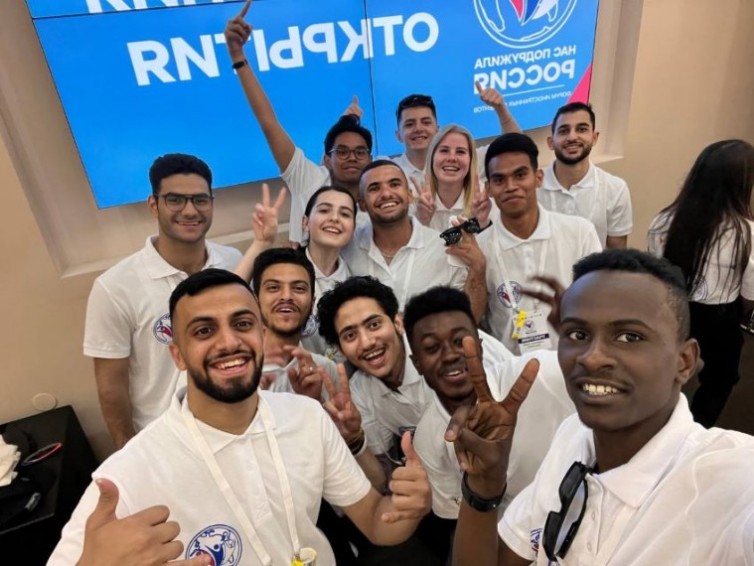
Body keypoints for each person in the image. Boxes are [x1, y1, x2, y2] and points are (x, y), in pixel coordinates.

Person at [51, 269, 432, 565]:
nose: (229, 341)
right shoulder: (128, 476)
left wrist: (406, 507)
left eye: (243, 324)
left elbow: (376, 523)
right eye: (204, 330)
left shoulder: (306, 418)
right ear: (178, 355)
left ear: (262, 338)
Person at [449, 249, 754, 566]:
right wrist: (483, 487)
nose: (592, 357)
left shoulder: (731, 480)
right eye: (578, 334)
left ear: (685, 361)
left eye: (629, 336)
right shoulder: (573, 437)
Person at [84, 153, 242, 449]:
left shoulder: (233, 262)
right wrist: (127, 452)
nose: (190, 210)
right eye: (175, 200)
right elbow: (111, 387)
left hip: (236, 423)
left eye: (200, 200)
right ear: (154, 204)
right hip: (168, 440)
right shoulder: (114, 288)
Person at [403, 286, 574, 523]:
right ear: (417, 363)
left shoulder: (541, 374)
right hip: (513, 537)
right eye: (432, 347)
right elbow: (460, 520)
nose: (450, 355)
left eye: (460, 341)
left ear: (480, 346)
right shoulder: (428, 438)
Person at [224, 0, 373, 243]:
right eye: (342, 151)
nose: (352, 157)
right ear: (326, 160)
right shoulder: (309, 179)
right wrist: (238, 56)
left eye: (360, 152)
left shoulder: (376, 201)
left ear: (370, 160)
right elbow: (269, 123)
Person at [316, 276, 512, 458]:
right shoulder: (360, 391)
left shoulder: (459, 345)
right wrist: (353, 439)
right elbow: (382, 473)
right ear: (340, 349)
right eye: (350, 335)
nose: (367, 342)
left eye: (374, 325)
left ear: (398, 322)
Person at [648, 139, 754, 427]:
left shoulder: (664, 221)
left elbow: (656, 273)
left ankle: (658, 425)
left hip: (672, 309)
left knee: (667, 372)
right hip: (721, 316)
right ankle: (696, 429)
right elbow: (749, 294)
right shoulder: (747, 233)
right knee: (721, 378)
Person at [473, 133, 601, 353]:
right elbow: (473, 321)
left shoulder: (580, 232)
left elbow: (601, 303)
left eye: (520, 175)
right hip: (509, 371)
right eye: (499, 179)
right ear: (489, 189)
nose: (510, 186)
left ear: (538, 177)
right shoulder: (479, 248)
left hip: (571, 364)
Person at [343, 159, 488, 319]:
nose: (386, 194)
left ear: (409, 195)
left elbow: (469, 318)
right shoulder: (348, 247)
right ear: (362, 204)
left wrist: (478, 267)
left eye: (394, 184)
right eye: (374, 188)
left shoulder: (444, 249)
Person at [538, 102, 633, 248]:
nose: (572, 137)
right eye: (563, 131)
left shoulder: (615, 189)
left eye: (581, 129)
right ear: (551, 142)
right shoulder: (532, 187)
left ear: (594, 138)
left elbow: (617, 257)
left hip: (593, 271)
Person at [248, 247, 339, 397]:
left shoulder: (325, 370)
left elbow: (339, 417)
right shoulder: (238, 368)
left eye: (298, 288)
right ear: (255, 300)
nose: (286, 296)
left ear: (312, 301)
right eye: (273, 288)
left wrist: (316, 401)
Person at [389, 86, 521, 186]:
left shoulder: (467, 160)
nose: (418, 129)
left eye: (426, 122)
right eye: (409, 124)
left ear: (438, 130)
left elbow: (516, 148)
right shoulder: (389, 172)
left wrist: (500, 109)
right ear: (398, 135)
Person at [416, 124, 494, 232]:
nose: (452, 158)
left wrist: (483, 224)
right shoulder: (414, 198)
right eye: (444, 150)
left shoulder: (484, 199)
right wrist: (421, 222)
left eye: (460, 152)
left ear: (471, 160)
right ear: (432, 157)